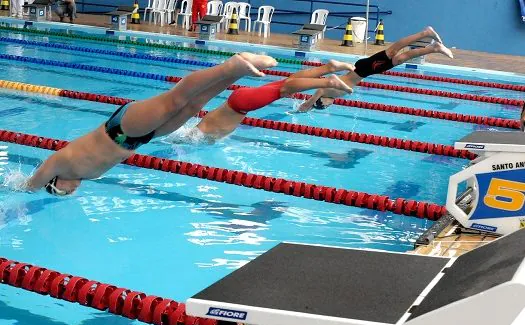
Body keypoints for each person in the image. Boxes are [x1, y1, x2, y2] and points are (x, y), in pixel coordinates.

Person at [25, 53, 279, 195]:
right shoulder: (85, 175)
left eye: (59, 192)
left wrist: (25, 189)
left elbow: (32, 182)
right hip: (140, 138)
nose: (69, 192)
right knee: (192, 108)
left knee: (174, 100)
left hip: (121, 129)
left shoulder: (61, 163)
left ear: (54, 181)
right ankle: (239, 71)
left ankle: (230, 65)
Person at [298, 26, 454, 112]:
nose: (327, 106)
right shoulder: (335, 96)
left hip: (365, 68)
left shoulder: (326, 91)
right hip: (368, 70)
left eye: (324, 106)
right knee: (400, 58)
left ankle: (425, 33)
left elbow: (318, 91)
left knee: (394, 51)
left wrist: (308, 104)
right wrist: (311, 106)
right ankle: (434, 47)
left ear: (322, 101)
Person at [190, 60, 355, 140]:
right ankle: (328, 68)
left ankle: (328, 81)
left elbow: (188, 138)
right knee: (285, 84)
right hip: (239, 101)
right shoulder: (206, 129)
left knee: (283, 90)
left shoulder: (198, 135)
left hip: (240, 105)